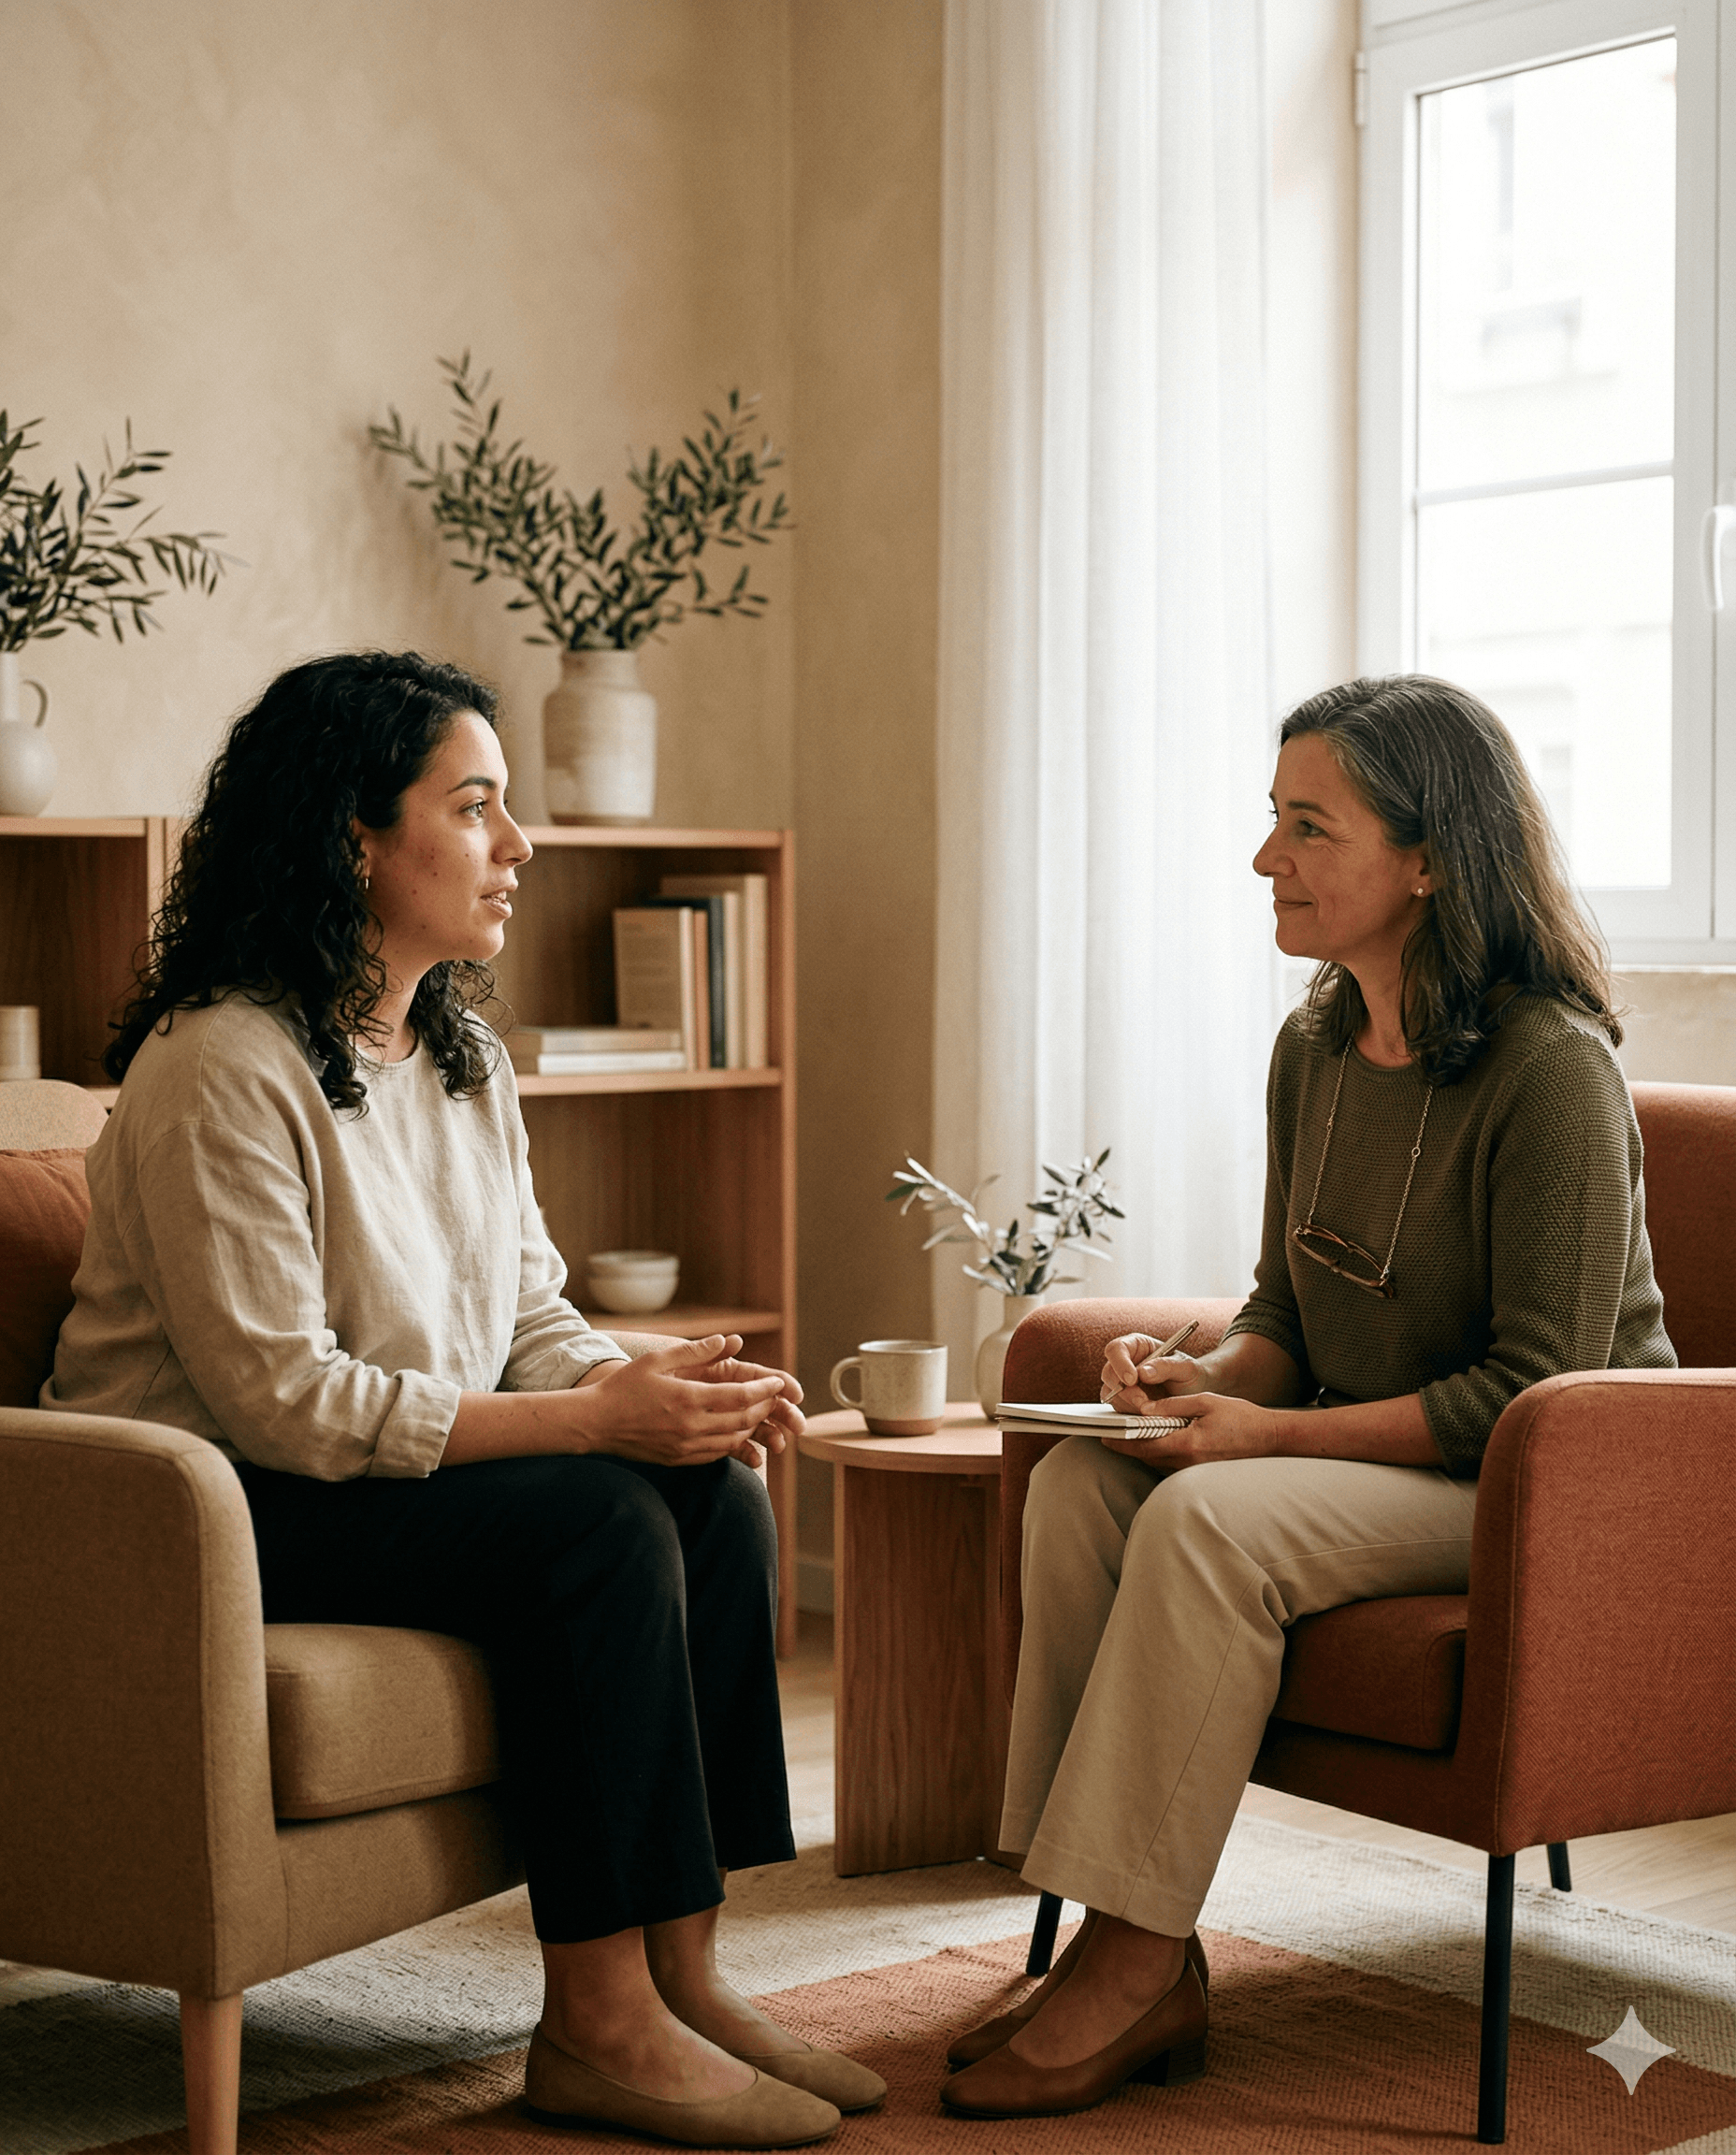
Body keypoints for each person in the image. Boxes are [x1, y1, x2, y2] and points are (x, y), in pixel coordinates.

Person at [48, 650, 881, 2150]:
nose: (522, 845)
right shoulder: (217, 1065)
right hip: (205, 1512)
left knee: (711, 1492)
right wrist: (591, 1427)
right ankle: (598, 2026)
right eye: (479, 806)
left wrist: (661, 1390)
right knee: (598, 1525)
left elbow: (529, 1314)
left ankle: (685, 1976)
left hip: (354, 1475)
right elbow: (283, 1401)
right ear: (357, 837)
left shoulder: (462, 1054)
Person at [940, 673, 1676, 2120]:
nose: (1267, 858)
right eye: (1271, 821)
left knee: (1215, 1521)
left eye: (1306, 825)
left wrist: (1262, 1438)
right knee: (1090, 1477)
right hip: (1383, 1459)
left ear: (1429, 858)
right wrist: (1199, 1381)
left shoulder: (1552, 1072)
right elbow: (1286, 1306)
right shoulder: (1316, 1045)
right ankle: (1100, 1920)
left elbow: (1536, 1389)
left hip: (1558, 1486)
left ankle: (1139, 1964)